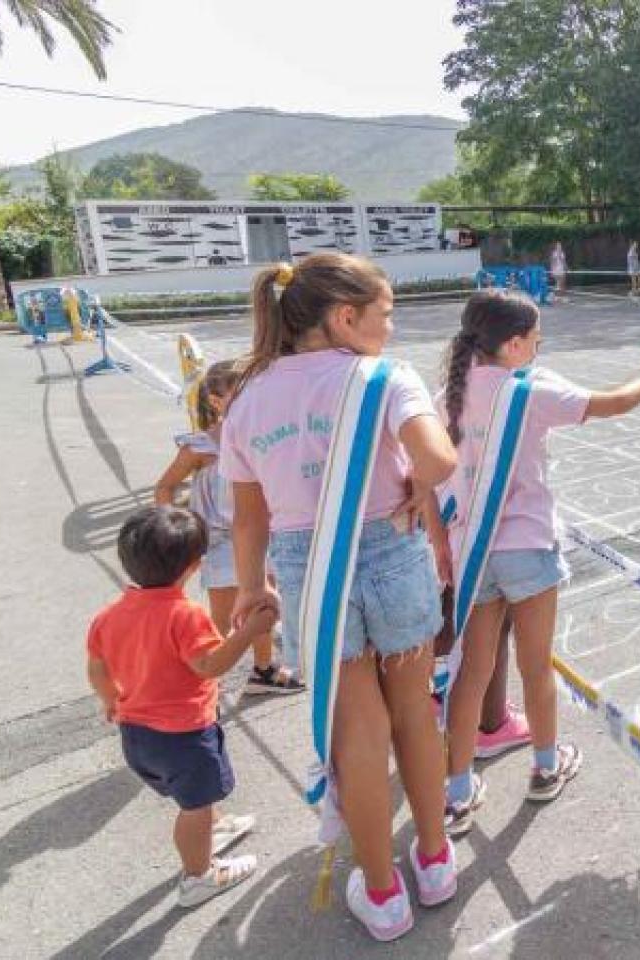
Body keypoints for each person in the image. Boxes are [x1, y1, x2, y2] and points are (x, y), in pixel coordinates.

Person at [222, 254, 460, 941]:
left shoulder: (246, 395)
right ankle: (436, 861)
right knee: (415, 714)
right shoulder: (383, 377)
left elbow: (248, 517)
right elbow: (440, 460)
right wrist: (417, 481)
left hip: (307, 569)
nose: (390, 328)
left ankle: (383, 893)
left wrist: (248, 586)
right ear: (344, 317)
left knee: (358, 732)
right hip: (391, 551)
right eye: (384, 315)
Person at [437, 290, 640, 835]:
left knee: (470, 674)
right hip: (527, 545)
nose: (540, 347)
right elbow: (614, 403)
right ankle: (546, 766)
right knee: (535, 664)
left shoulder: (448, 395)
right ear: (514, 343)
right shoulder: (529, 389)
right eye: (536, 339)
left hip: (472, 551)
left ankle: (455, 793)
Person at [86, 505, 279, 908]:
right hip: (184, 738)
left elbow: (97, 667)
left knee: (193, 799)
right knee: (194, 806)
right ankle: (198, 876)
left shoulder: (108, 616)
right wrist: (251, 631)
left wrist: (111, 700)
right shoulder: (185, 615)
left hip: (136, 732)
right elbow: (210, 666)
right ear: (194, 566)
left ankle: (215, 827)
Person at [152, 360, 302, 695]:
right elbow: (165, 487)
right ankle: (209, 685)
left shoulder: (264, 436)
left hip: (262, 537)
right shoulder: (201, 446)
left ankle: (263, 671)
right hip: (219, 542)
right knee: (221, 618)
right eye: (238, 393)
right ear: (215, 402)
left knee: (265, 607)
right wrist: (176, 533)